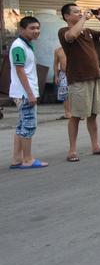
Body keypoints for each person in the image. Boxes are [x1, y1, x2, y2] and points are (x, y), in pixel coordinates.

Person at [58, 4, 100, 162]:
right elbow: (72, 36)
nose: (80, 13)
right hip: (78, 78)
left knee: (93, 114)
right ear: (67, 16)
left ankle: (96, 145)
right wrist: (84, 18)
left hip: (94, 76)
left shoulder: (88, 32)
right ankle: (72, 151)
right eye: (76, 12)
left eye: (80, 11)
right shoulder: (63, 31)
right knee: (76, 115)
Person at [9, 16, 48, 169]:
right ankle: (27, 159)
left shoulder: (27, 44)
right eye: (32, 28)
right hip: (24, 93)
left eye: (38, 28)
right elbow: (20, 71)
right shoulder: (19, 46)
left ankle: (16, 159)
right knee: (28, 126)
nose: (36, 31)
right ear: (22, 29)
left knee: (21, 126)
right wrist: (30, 94)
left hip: (24, 92)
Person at [53, 46, 72, 119]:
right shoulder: (58, 50)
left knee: (76, 92)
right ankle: (68, 113)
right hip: (63, 74)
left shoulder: (75, 48)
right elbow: (55, 64)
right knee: (64, 94)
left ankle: (78, 113)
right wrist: (56, 76)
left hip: (74, 73)